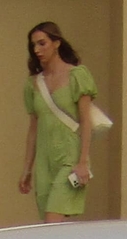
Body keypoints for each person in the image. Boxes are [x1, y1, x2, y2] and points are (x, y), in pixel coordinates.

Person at [19, 22, 102, 222]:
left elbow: (86, 121)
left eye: (42, 43)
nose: (37, 50)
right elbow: (33, 129)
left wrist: (82, 161)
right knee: (50, 228)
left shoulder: (77, 75)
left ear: (56, 43)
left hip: (69, 157)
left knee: (52, 218)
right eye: (34, 46)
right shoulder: (33, 84)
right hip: (45, 161)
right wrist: (26, 169)